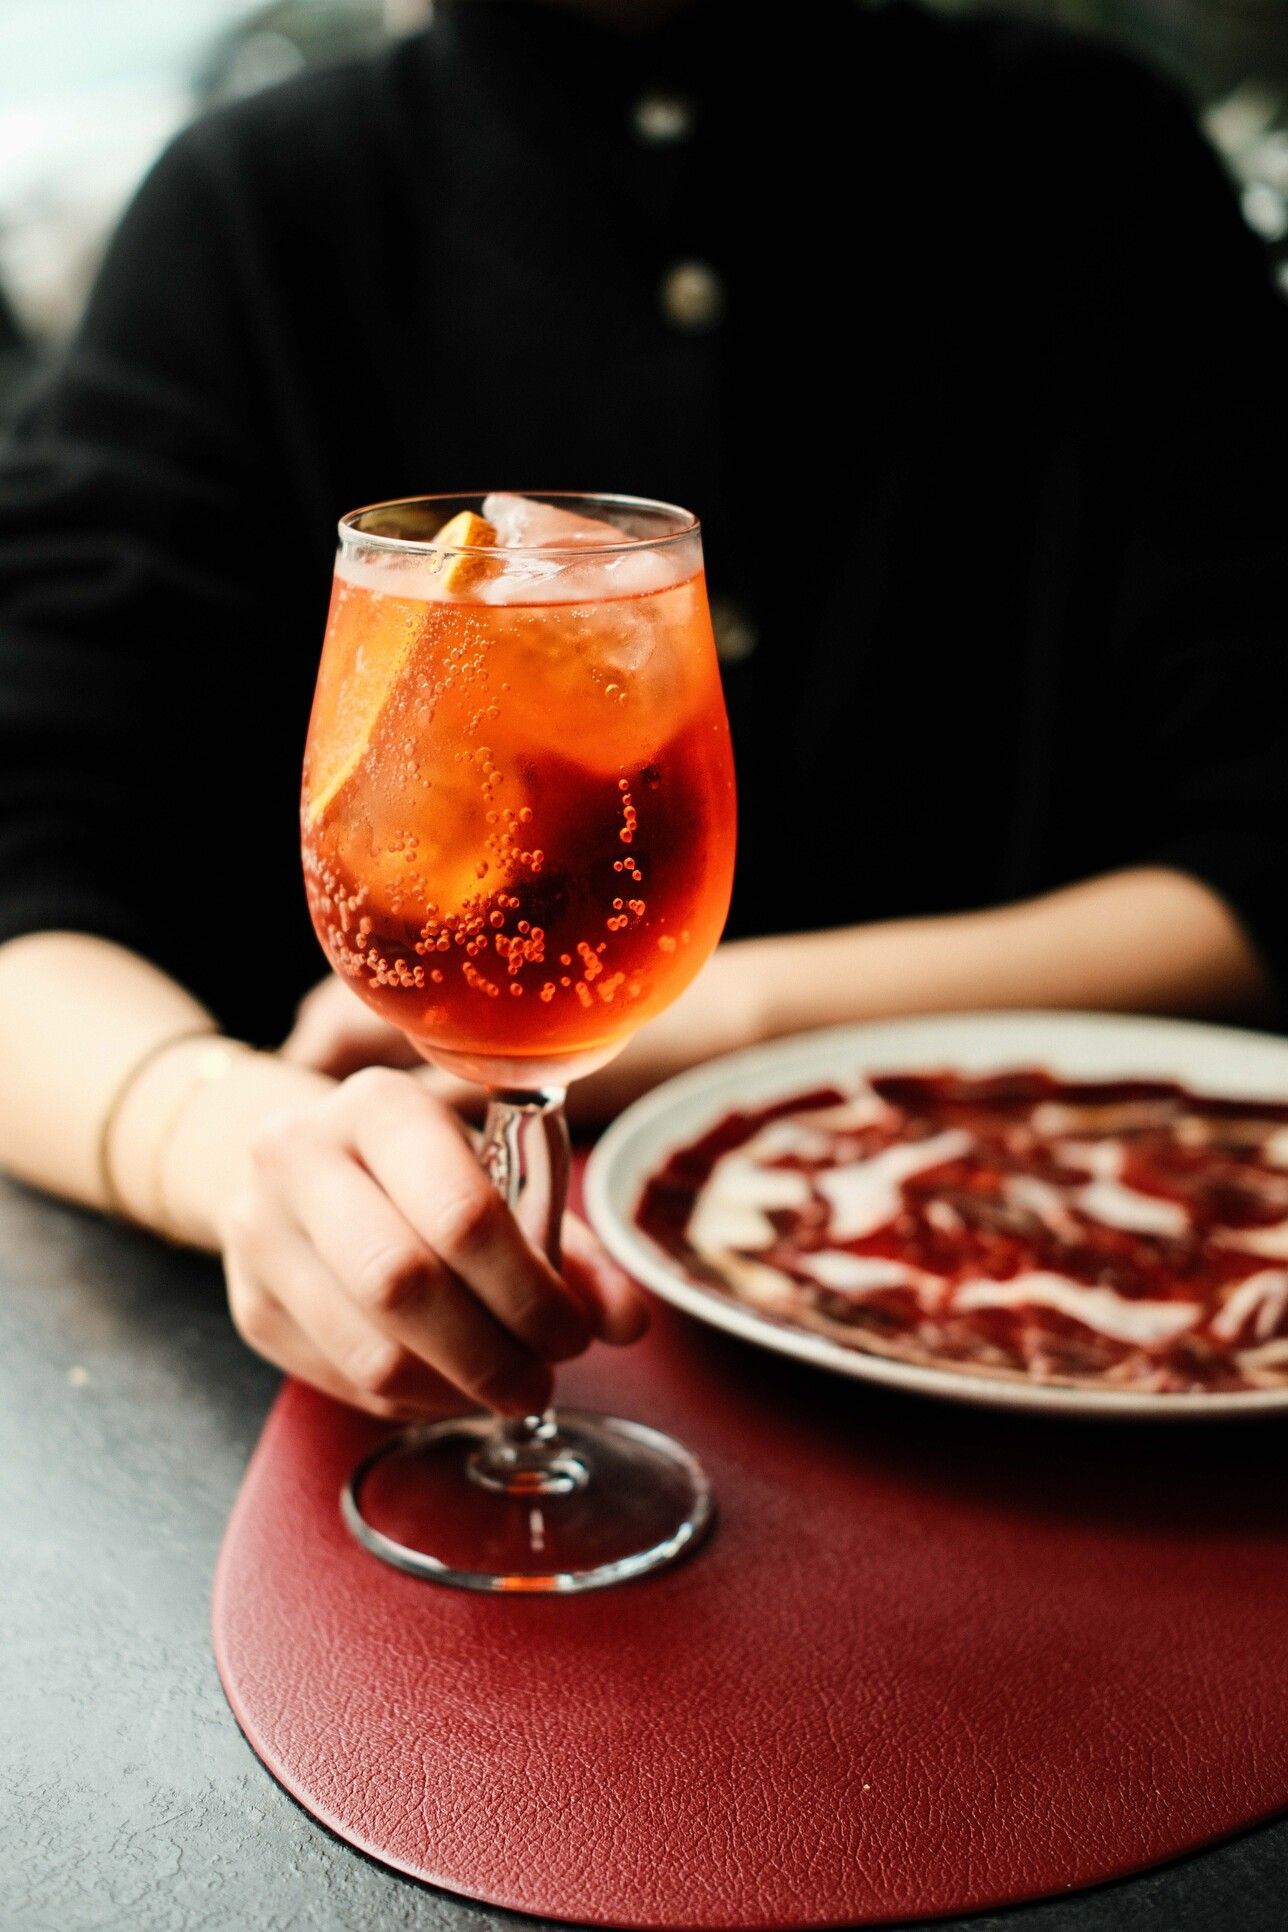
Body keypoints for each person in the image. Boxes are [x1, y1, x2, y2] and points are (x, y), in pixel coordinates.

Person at [1, 0, 1286, 1425]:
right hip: (318, 1408)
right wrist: (222, 1133)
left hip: (1076, 1343)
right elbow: (33, 843)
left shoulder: (1098, 163)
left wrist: (710, 1018)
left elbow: (1261, 848)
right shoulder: (255, 213)